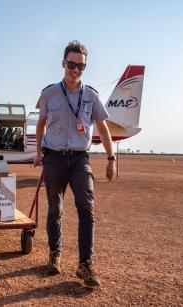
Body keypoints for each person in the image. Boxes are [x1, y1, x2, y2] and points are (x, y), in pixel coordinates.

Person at [33, 40, 116, 288]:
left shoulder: (90, 95)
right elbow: (41, 125)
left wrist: (111, 159)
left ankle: (85, 264)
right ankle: (54, 255)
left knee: (86, 207)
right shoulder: (49, 94)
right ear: (63, 63)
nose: (75, 70)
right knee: (55, 209)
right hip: (54, 157)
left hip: (80, 158)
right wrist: (38, 152)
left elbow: (103, 126)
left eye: (81, 66)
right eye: (71, 64)